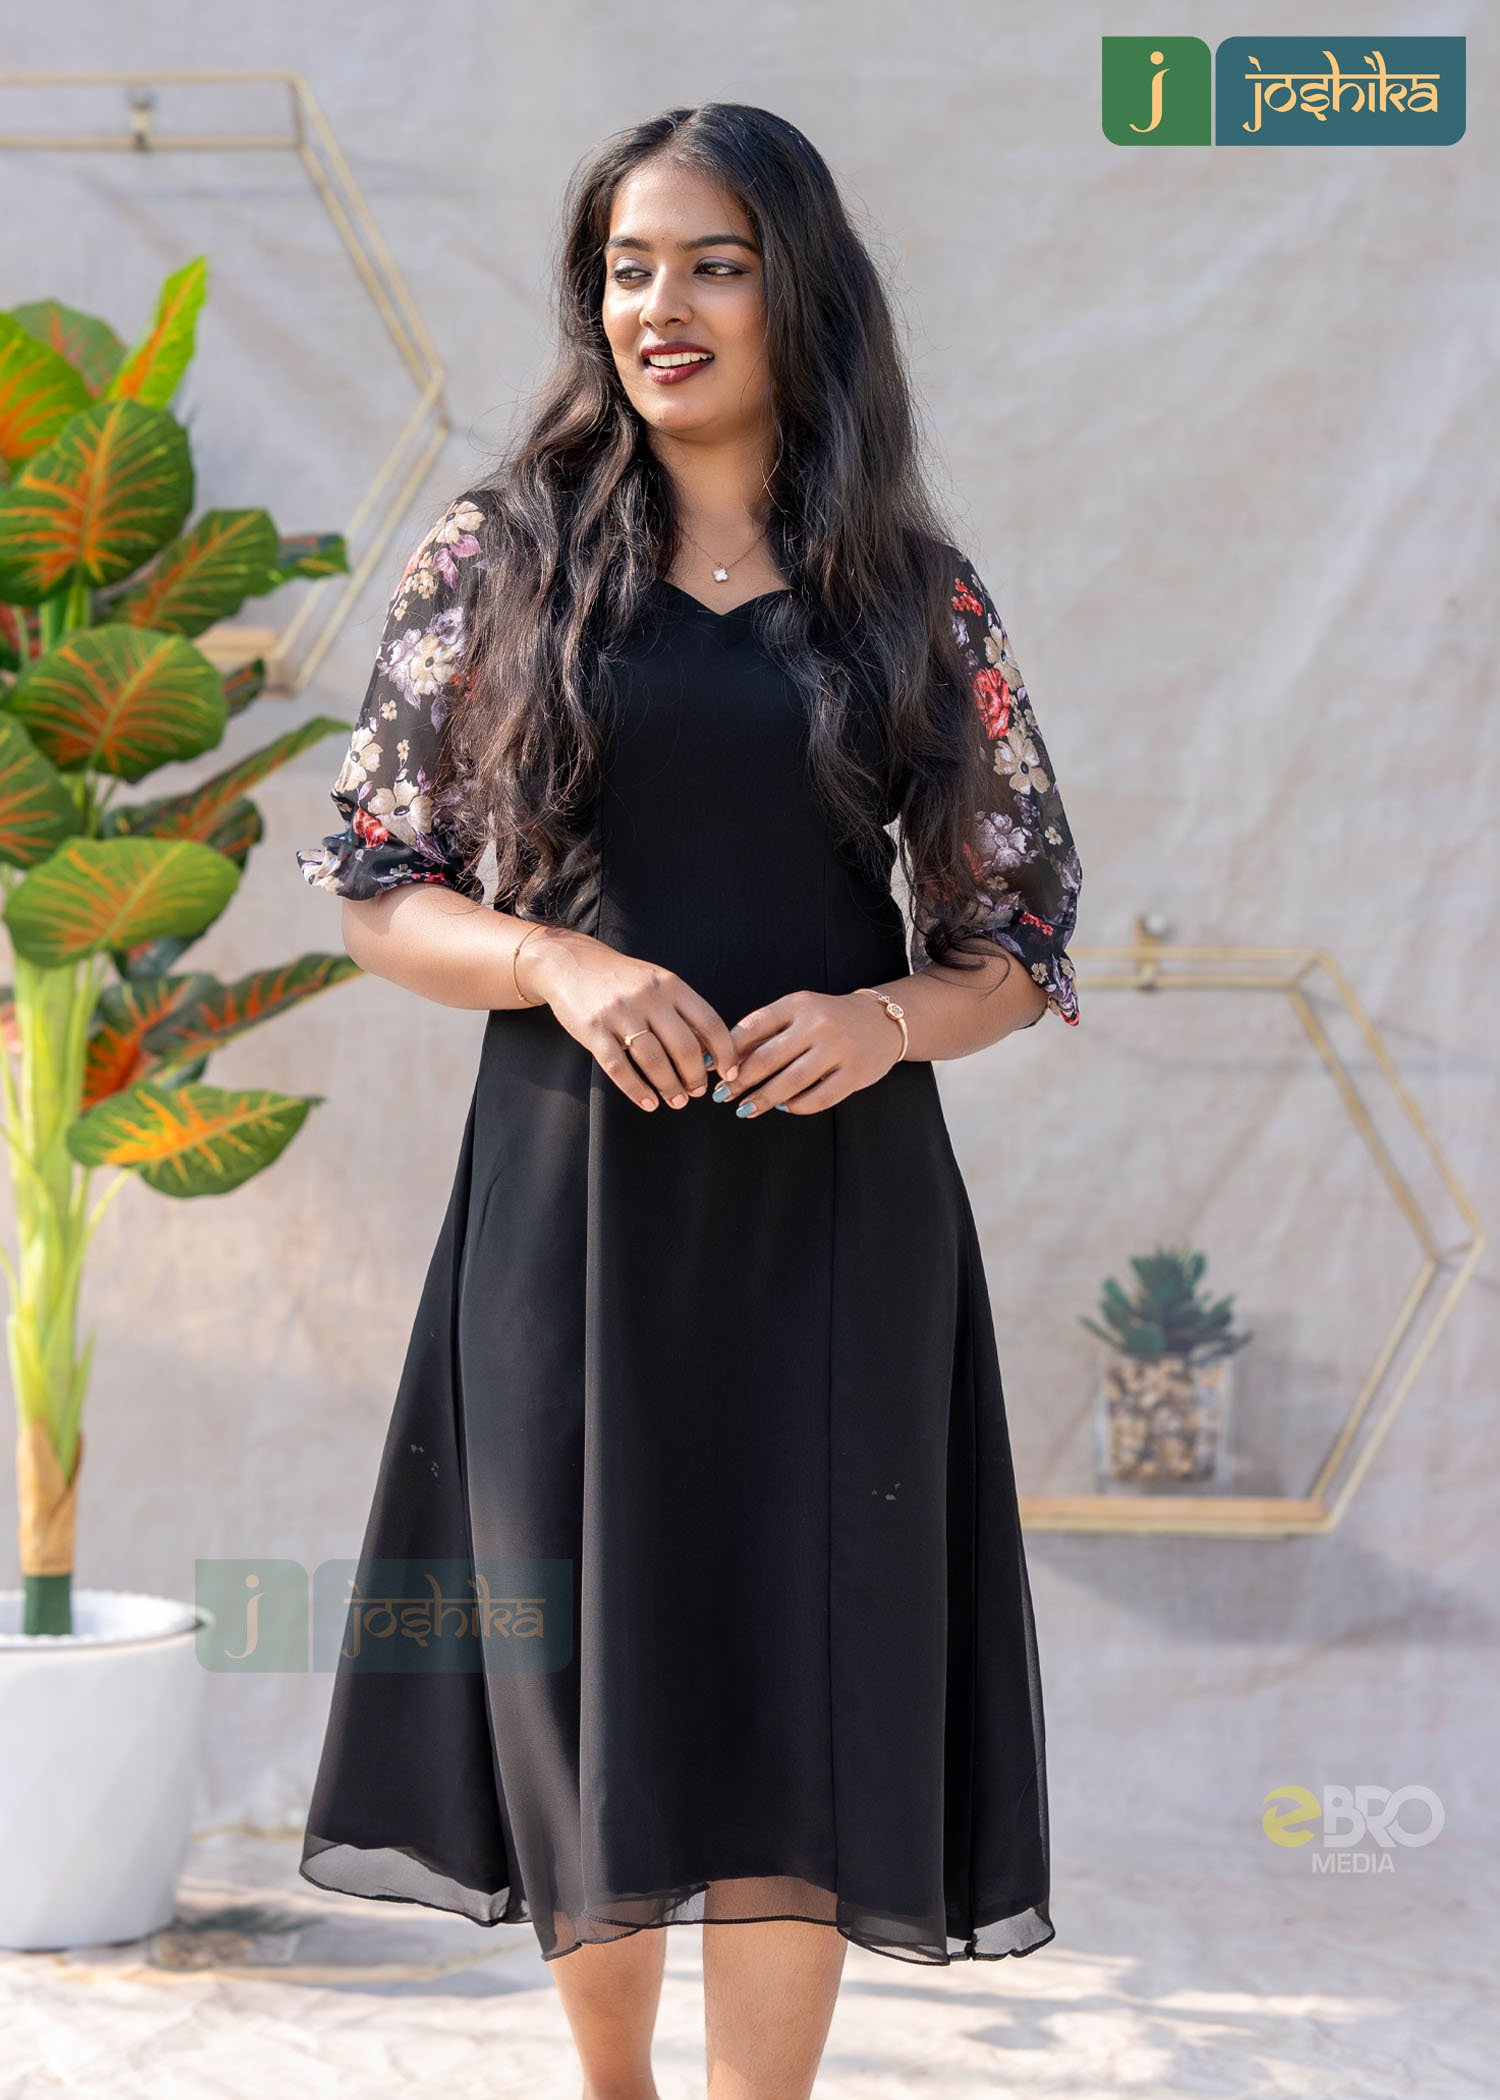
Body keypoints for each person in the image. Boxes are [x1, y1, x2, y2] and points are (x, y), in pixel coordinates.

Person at [295, 101, 1081, 2100]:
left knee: (809, 1683)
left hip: (837, 1215)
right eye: (629, 267)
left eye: (713, 264)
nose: (662, 304)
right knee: (590, 1672)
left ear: (798, 291)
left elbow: (1015, 931)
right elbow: (383, 884)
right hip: (572, 1207)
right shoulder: (500, 557)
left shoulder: (908, 589)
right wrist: (559, 964)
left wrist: (887, 1022)